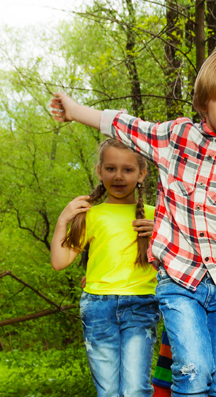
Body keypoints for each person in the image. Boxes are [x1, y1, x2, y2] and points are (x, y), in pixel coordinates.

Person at [49, 48, 216, 397]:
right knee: (192, 373)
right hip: (180, 282)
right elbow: (123, 123)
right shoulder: (175, 138)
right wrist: (73, 110)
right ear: (203, 102)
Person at [50, 138, 159, 397]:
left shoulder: (158, 215)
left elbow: (181, 259)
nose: (118, 176)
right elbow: (59, 261)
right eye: (110, 169)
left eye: (128, 169)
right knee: (108, 390)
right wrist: (63, 219)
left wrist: (161, 235)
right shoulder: (91, 215)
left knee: (135, 388)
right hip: (98, 307)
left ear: (142, 174)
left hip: (141, 305)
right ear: (99, 171)